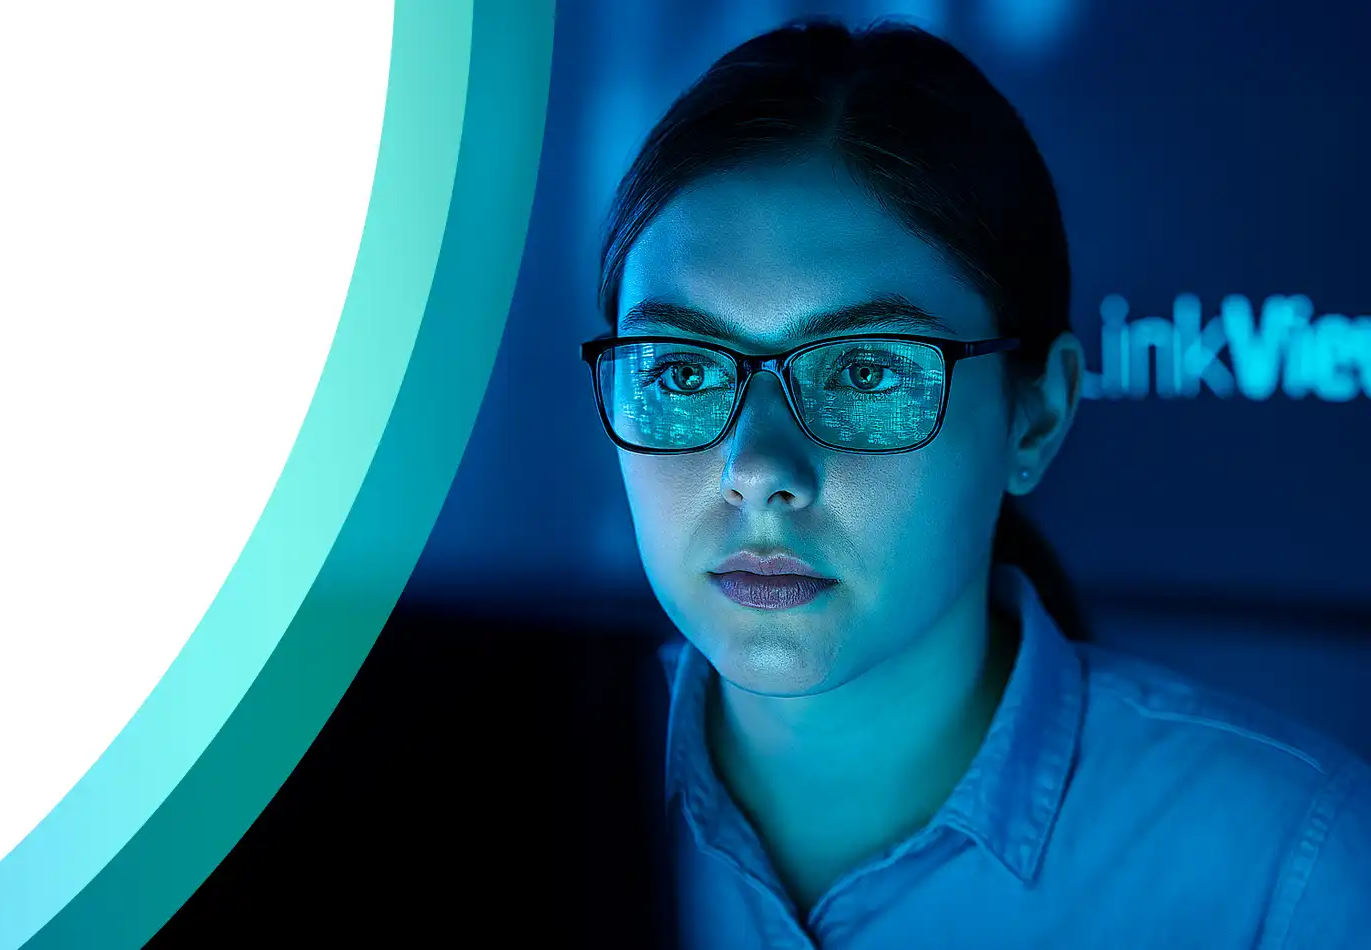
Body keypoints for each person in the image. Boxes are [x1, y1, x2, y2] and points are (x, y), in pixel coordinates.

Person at [578, 18, 1370, 950]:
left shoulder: (1288, 870)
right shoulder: (475, 803)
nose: (758, 470)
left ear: (1035, 415)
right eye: (681, 370)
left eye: (867, 372)